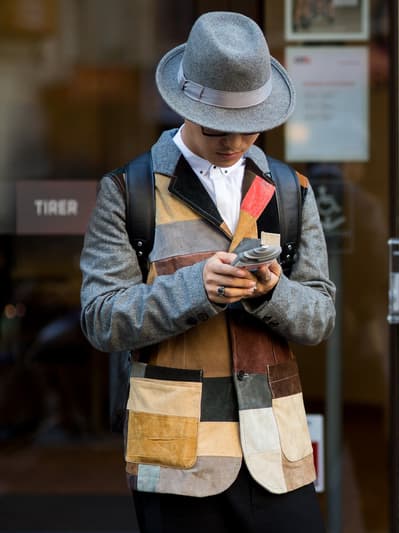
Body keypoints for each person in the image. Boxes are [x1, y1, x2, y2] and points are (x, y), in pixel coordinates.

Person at [79, 11, 334, 533]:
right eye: (220, 128)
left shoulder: (291, 191)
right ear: (185, 106)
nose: (237, 143)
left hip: (277, 456)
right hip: (177, 461)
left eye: (251, 126)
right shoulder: (129, 192)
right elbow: (100, 320)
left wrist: (271, 292)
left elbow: (319, 319)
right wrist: (197, 288)